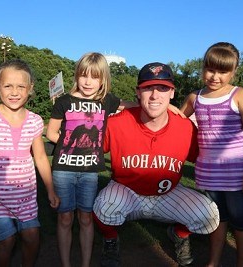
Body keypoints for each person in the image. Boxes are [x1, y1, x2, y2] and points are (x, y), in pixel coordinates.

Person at [92, 62, 220, 267]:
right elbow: (89, 150)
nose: (154, 95)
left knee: (208, 214)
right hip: (127, 193)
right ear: (138, 92)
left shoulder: (185, 128)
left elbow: (207, 159)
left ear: (172, 93)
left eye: (162, 88)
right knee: (104, 207)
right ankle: (110, 238)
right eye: (148, 88)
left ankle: (178, 234)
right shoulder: (117, 123)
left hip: (167, 195)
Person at [46, 52, 142, 267]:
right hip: (63, 170)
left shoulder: (106, 101)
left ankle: (85, 264)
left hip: (90, 172)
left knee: (86, 218)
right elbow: (51, 133)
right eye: (83, 75)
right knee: (65, 218)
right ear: (76, 76)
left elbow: (133, 106)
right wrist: (70, 145)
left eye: (95, 77)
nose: (88, 82)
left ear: (103, 79)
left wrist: (168, 107)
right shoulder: (64, 101)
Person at [180, 42, 243, 267]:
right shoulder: (194, 98)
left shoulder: (240, 95)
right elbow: (173, 120)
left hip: (238, 173)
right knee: (216, 220)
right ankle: (214, 262)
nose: (215, 77)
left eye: (223, 71)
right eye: (210, 69)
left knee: (241, 221)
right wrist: (135, 105)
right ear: (203, 68)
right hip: (210, 173)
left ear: (234, 71)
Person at [0, 59, 60, 267]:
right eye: (8, 86)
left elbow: (41, 157)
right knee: (6, 240)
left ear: (30, 89)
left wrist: (51, 190)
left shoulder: (35, 121)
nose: (14, 92)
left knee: (32, 237)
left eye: (21, 86)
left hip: (25, 195)